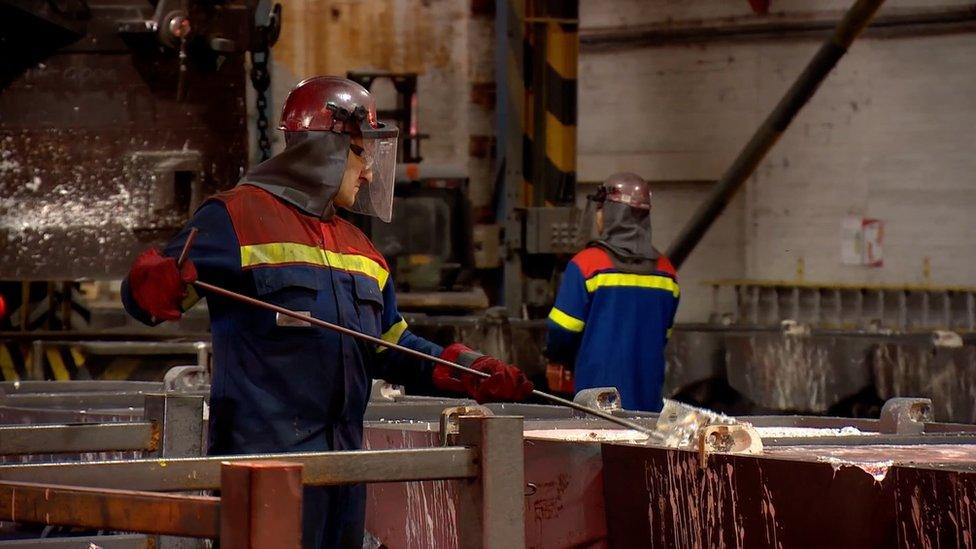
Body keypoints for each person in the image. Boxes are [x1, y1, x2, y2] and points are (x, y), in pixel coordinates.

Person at [121, 76, 533, 548]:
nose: (372, 174)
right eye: (362, 155)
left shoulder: (361, 249)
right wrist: (151, 284)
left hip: (343, 473)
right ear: (325, 148)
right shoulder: (236, 217)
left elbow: (390, 344)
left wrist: (468, 370)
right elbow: (147, 304)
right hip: (266, 476)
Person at [544, 172, 679, 412]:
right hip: (648, 404)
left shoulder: (586, 266)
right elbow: (662, 338)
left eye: (600, 208)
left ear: (611, 213)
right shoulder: (667, 274)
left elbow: (560, 331)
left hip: (596, 401)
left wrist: (560, 358)